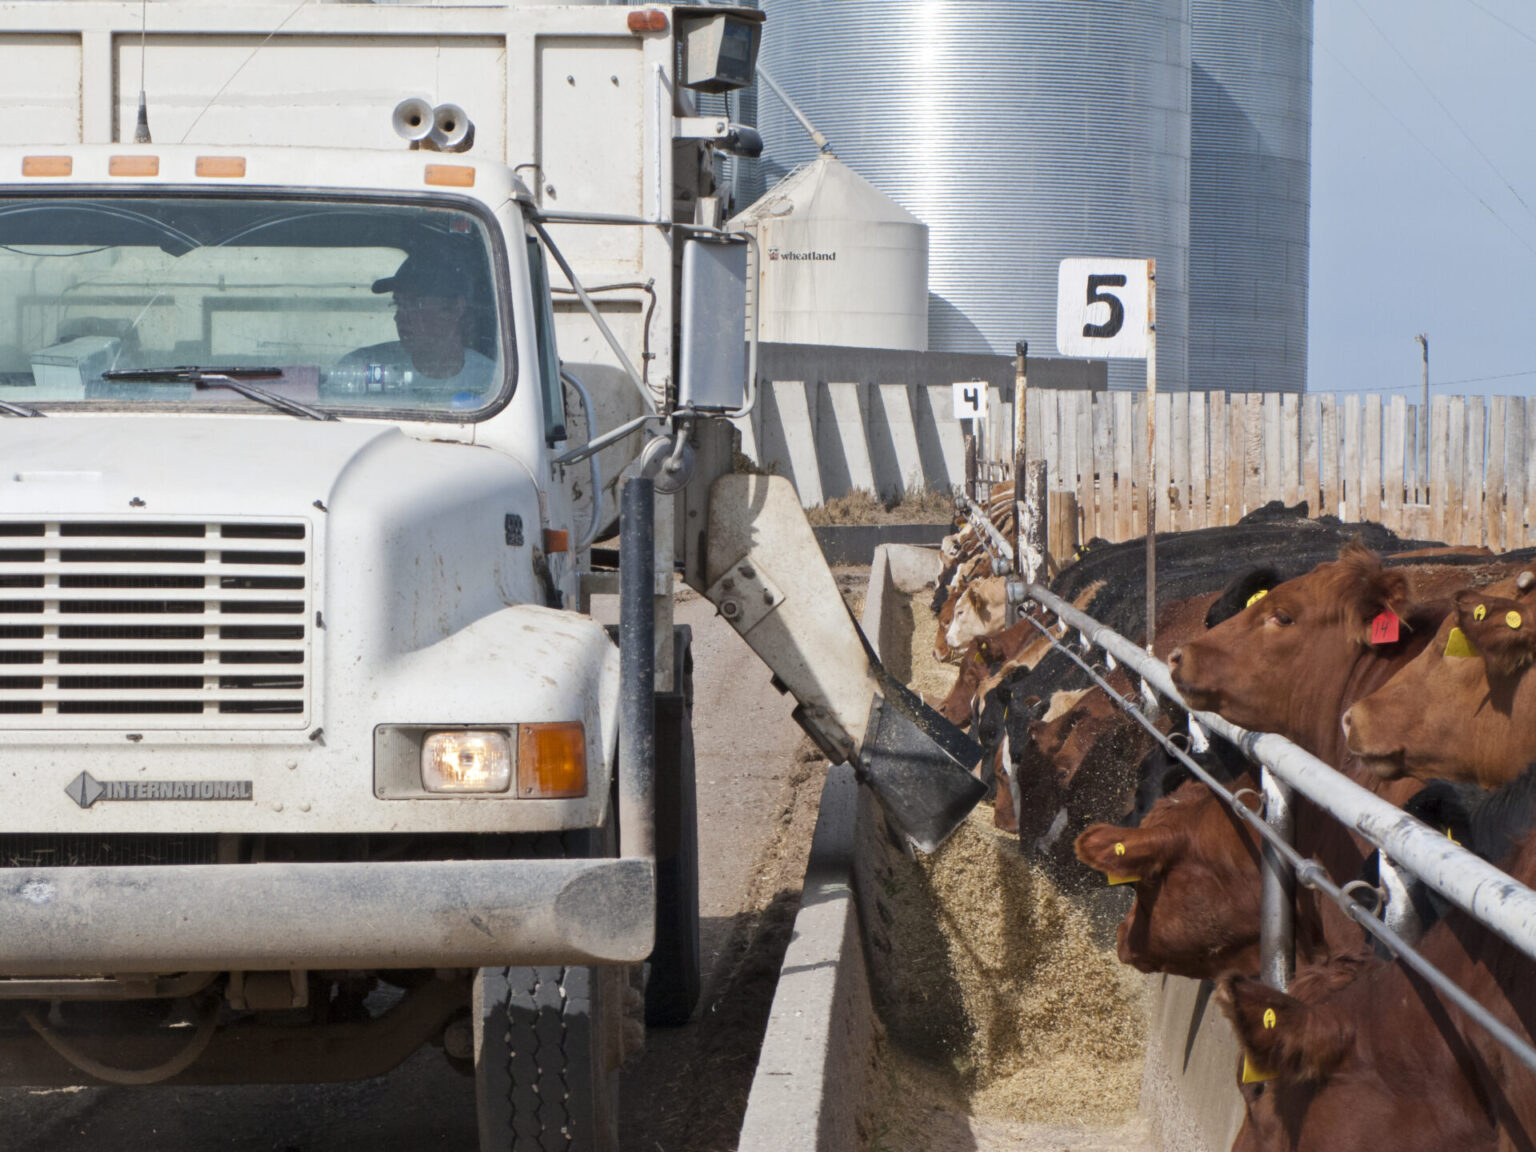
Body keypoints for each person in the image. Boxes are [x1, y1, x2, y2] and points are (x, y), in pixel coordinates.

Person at [332, 249, 497, 405]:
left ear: (455, 308)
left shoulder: (493, 382)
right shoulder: (363, 367)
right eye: (398, 305)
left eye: (414, 304)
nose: (400, 317)